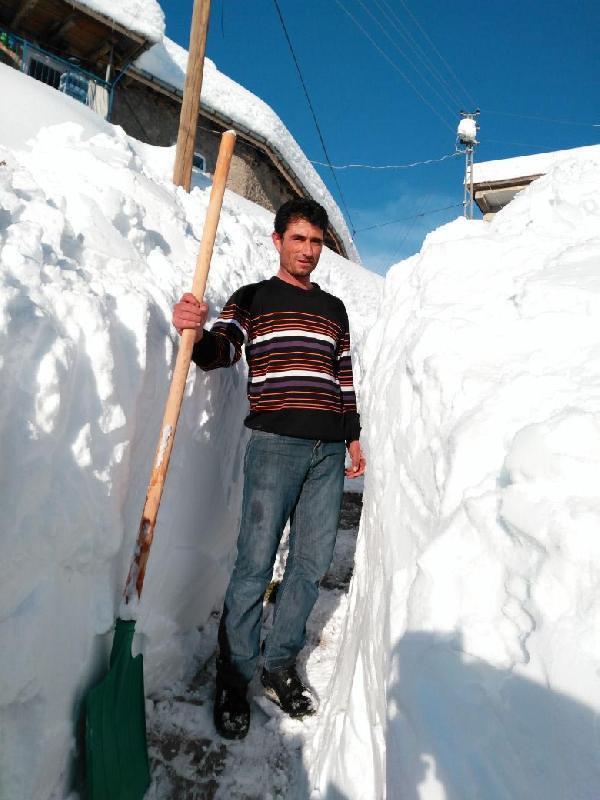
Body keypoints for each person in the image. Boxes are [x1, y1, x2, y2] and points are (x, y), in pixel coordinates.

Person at [172, 198, 366, 740]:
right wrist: (194, 334)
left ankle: (279, 665)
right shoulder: (253, 298)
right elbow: (221, 352)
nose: (308, 250)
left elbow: (342, 374)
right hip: (274, 445)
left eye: (316, 241)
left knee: (309, 564)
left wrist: (352, 437)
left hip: (327, 452)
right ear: (277, 239)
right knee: (255, 565)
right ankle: (235, 675)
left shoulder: (335, 310)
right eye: (298, 238)